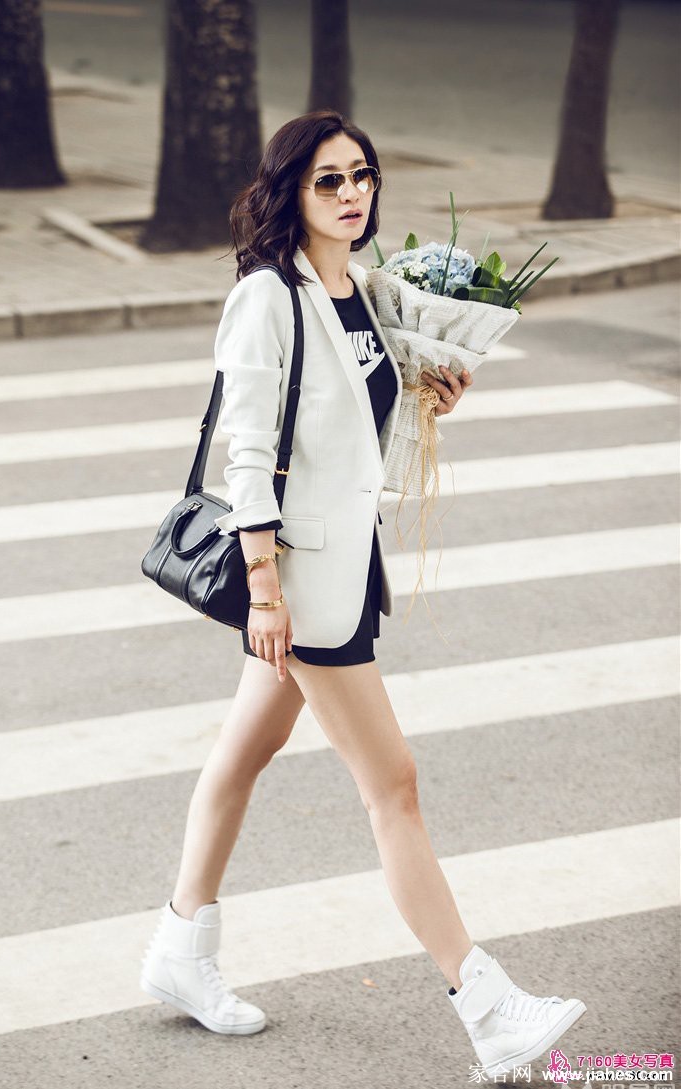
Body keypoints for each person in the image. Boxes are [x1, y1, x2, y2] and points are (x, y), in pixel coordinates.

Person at [140, 110, 586, 1078]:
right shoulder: (269, 296)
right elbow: (248, 449)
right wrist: (265, 590)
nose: (351, 194)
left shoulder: (363, 290)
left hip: (345, 565)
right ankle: (486, 1005)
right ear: (290, 192)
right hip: (300, 579)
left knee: (242, 753)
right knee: (394, 785)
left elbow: (355, 427)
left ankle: (181, 947)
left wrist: (429, 397)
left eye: (362, 176)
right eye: (328, 181)